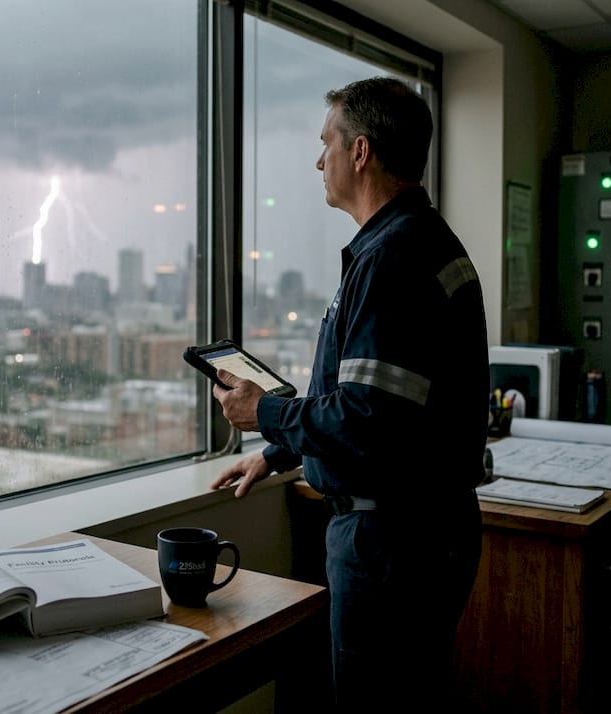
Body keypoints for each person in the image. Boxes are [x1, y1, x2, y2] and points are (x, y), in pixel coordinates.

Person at [208, 76, 489, 711]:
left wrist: (264, 413)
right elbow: (390, 405)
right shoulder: (424, 241)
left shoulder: (392, 259)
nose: (318, 161)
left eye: (326, 143)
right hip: (424, 529)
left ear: (360, 152)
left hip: (391, 540)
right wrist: (276, 452)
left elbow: (369, 419)